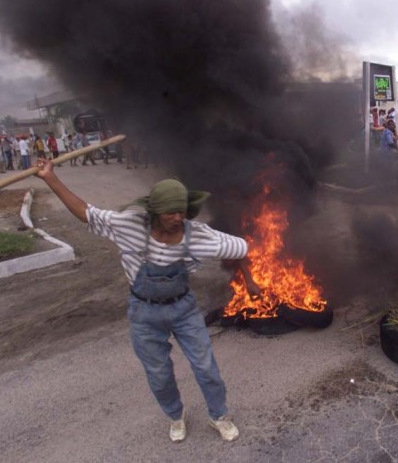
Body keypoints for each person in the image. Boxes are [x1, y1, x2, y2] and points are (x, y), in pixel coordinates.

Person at [33, 158, 259, 442]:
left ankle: (219, 416)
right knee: (159, 374)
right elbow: (85, 213)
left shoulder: (199, 235)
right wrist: (50, 177)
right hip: (144, 313)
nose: (178, 218)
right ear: (154, 211)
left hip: (184, 309)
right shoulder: (129, 226)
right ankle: (176, 416)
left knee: (206, 367)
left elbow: (241, 248)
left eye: (182, 212)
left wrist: (250, 280)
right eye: (170, 213)